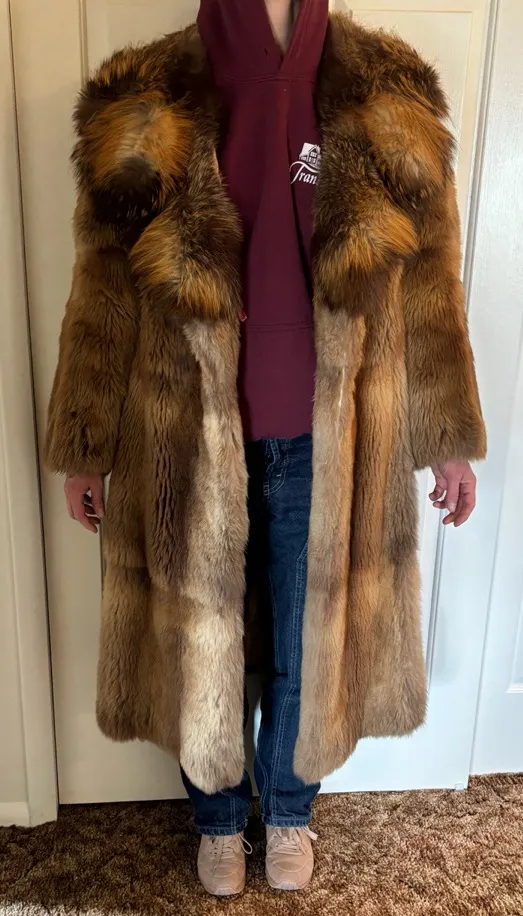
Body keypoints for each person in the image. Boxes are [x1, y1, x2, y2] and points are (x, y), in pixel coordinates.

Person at [45, 0, 486, 897]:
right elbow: (101, 290)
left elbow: (430, 285)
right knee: (202, 639)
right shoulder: (143, 99)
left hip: (331, 432)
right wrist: (87, 440)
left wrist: (445, 438)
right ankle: (216, 820)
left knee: (305, 643)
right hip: (185, 432)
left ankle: (286, 810)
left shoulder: (388, 96)